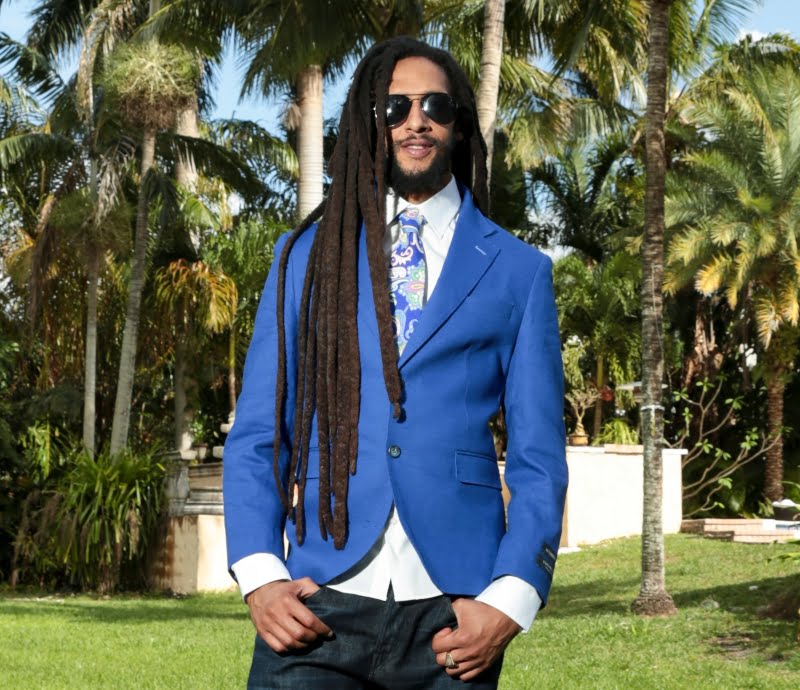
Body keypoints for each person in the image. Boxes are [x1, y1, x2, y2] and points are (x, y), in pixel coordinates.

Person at [223, 36, 567, 689]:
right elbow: (259, 436)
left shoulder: (519, 271)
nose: (417, 120)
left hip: (454, 617)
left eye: (435, 105)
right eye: (395, 106)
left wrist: (511, 597)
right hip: (318, 601)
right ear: (369, 122)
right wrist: (260, 576)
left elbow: (539, 459)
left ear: (458, 123)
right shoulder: (305, 258)